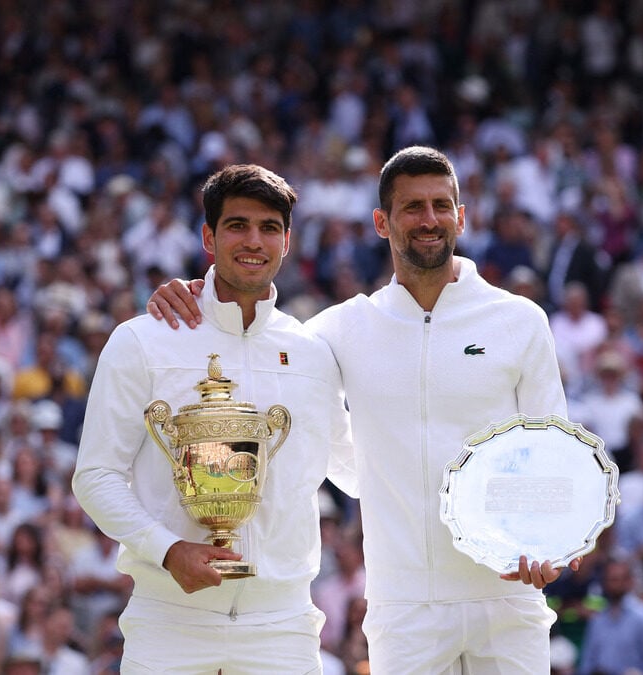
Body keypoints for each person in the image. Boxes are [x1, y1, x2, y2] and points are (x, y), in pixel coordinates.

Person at [148, 147, 580, 673]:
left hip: (509, 598)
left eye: (442, 206)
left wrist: (552, 541)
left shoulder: (520, 320)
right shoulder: (339, 330)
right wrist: (198, 296)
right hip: (402, 610)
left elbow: (555, 449)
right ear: (382, 222)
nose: (430, 220)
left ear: (461, 217)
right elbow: (256, 343)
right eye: (413, 207)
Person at [72, 164, 354, 673]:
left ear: (287, 241)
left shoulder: (314, 353)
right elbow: (95, 476)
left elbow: (355, 470)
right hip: (169, 618)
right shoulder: (143, 339)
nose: (254, 241)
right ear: (209, 236)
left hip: (283, 623)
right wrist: (168, 550)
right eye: (237, 225)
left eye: (270, 227)